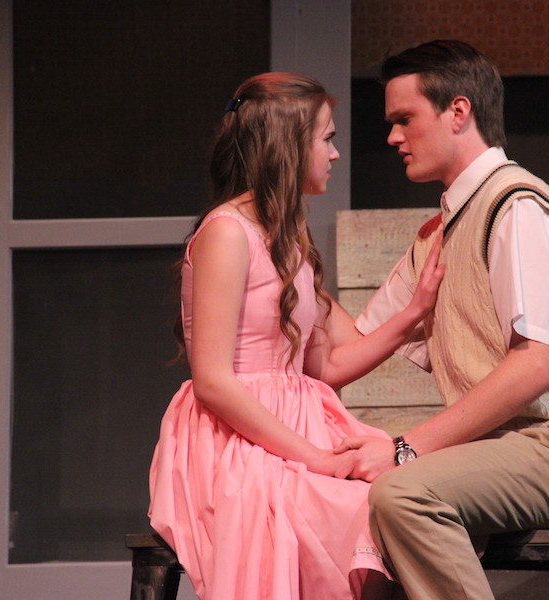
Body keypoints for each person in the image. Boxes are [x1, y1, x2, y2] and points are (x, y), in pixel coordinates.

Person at [335, 40, 549, 600]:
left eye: (404, 119)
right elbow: (354, 343)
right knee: (357, 511)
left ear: (458, 112)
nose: (393, 137)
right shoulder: (439, 233)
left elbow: (533, 368)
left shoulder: (516, 206)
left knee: (404, 492)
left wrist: (405, 448)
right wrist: (286, 258)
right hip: (497, 457)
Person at [148, 72, 445, 600]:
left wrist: (414, 312)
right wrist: (314, 458)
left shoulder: (289, 238)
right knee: (357, 509)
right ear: (287, 146)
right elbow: (214, 382)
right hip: (235, 436)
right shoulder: (226, 234)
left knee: (403, 492)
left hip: (300, 423)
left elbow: (327, 367)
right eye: (326, 138)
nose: (334, 154)